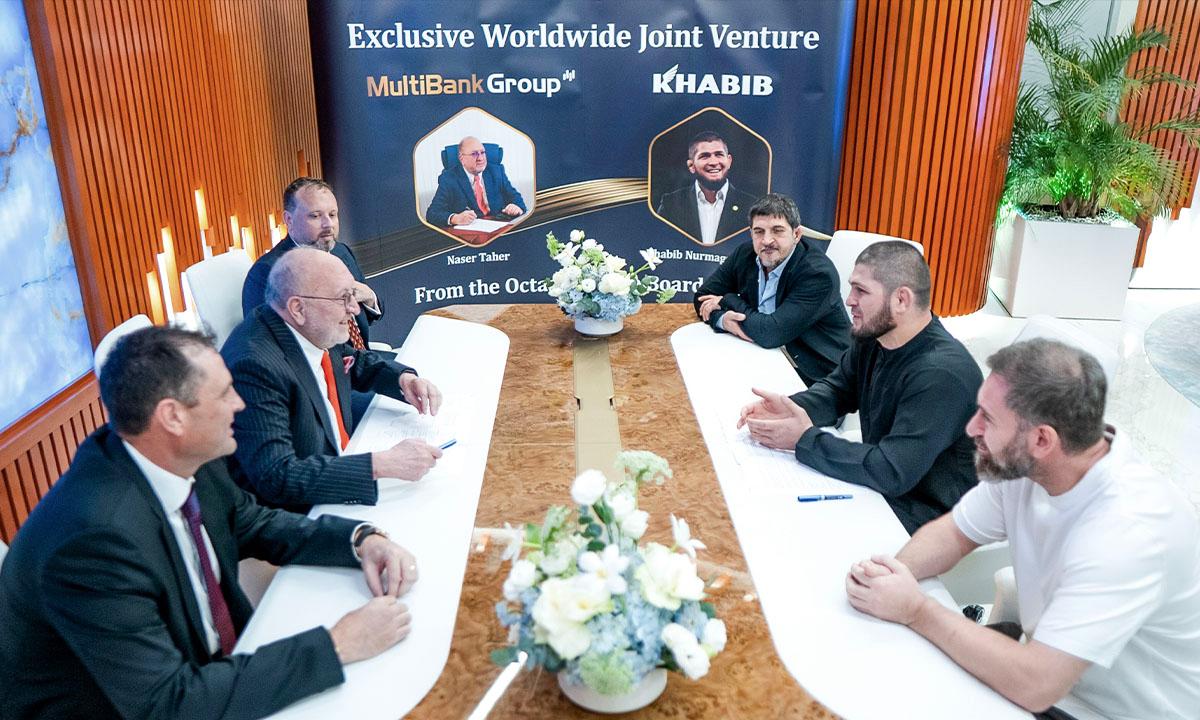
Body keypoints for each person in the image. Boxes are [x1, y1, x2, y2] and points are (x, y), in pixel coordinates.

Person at [0, 326, 420, 719]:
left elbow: (253, 523)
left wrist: (360, 539)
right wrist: (336, 646)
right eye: (223, 394)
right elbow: (168, 704)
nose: (239, 404)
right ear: (173, 417)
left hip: (202, 674)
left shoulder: (183, 456)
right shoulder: (94, 542)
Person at [845, 339, 1200, 719]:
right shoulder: (1030, 466)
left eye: (988, 418)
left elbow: (1036, 684)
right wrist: (891, 576)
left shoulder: (1127, 534)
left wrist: (916, 610)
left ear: (1042, 439)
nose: (972, 428)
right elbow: (954, 534)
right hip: (1059, 679)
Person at [738, 241, 981, 534]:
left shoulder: (941, 375)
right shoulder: (874, 337)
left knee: (787, 527)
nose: (849, 300)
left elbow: (891, 471)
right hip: (882, 491)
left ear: (901, 299)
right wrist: (790, 408)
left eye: (861, 291)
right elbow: (838, 390)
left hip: (928, 521)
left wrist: (804, 439)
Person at [222, 247, 442, 510]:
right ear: (298, 308)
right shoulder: (255, 367)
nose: (354, 309)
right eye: (343, 298)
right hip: (305, 514)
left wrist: (403, 380)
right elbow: (278, 476)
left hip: (337, 472)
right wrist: (381, 465)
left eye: (353, 295)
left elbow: (351, 360)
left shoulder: (310, 326)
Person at [693, 193, 850, 385]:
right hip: (761, 357)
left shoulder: (817, 274)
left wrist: (727, 299)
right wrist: (723, 320)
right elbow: (703, 297)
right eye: (759, 232)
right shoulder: (746, 254)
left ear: (796, 234)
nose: (767, 240)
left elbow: (770, 334)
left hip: (818, 378)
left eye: (777, 231)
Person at [242, 177, 382, 350]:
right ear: (289, 220)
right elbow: (268, 345)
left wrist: (370, 297)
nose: (328, 224)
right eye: (315, 216)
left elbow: (362, 317)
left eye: (332, 215)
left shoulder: (342, 252)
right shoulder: (268, 273)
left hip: (363, 359)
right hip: (323, 365)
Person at [656, 130, 757, 245]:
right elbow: (658, 241)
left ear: (729, 161)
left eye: (719, 154)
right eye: (705, 156)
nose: (713, 162)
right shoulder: (671, 204)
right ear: (691, 165)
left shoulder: (752, 206)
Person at [426, 136, 526, 227]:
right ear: (461, 158)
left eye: (483, 152)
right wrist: (455, 218)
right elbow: (432, 213)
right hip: (470, 234)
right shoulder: (449, 179)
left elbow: (516, 198)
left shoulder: (496, 171)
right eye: (474, 154)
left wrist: (517, 207)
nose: (481, 158)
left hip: (498, 226)